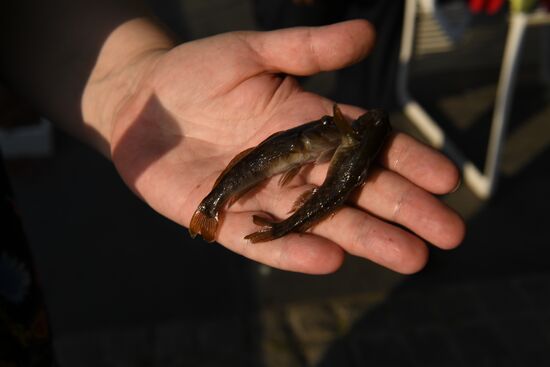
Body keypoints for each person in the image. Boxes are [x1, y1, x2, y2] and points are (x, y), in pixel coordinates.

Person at [1, 0, 465, 363]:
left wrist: (131, 74)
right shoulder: (331, 136)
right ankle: (233, 213)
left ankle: (257, 220)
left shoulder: (333, 139)